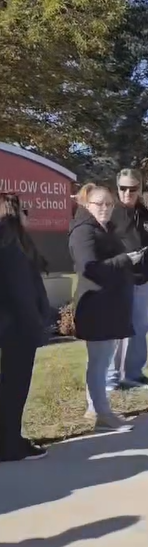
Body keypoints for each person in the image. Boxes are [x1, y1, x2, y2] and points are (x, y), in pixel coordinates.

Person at [69, 185, 142, 433]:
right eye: (99, 204)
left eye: (109, 204)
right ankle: (102, 415)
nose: (105, 208)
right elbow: (88, 268)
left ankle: (96, 407)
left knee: (101, 360)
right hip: (95, 305)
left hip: (109, 304)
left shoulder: (105, 229)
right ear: (87, 205)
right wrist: (125, 260)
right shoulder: (83, 231)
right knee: (99, 362)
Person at [0, 194, 50, 461]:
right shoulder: (12, 247)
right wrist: (36, 327)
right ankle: (10, 445)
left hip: (11, 326)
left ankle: (8, 439)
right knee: (15, 387)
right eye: (24, 211)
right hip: (17, 328)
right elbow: (22, 294)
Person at [108, 169, 148, 391]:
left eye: (133, 188)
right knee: (117, 328)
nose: (127, 193)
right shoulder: (111, 211)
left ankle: (134, 374)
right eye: (123, 188)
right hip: (119, 279)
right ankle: (111, 377)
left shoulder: (143, 212)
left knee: (141, 327)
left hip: (141, 278)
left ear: (140, 189)